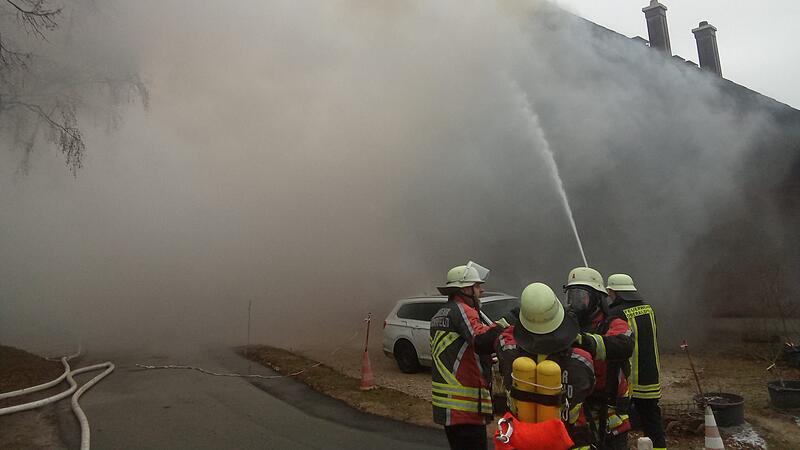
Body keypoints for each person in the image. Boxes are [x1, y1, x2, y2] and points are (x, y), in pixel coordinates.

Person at [495, 282, 596, 449]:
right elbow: (589, 387)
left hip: (522, 442)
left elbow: (500, 338)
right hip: (568, 442)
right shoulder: (581, 360)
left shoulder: (509, 353)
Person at [430, 261, 505, 450]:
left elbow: (458, 351)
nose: (481, 291)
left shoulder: (441, 314)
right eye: (477, 286)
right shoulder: (462, 310)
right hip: (465, 409)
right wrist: (507, 322)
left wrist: (486, 359)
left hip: (448, 407)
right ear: (465, 289)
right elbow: (481, 341)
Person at [564, 267, 634, 450]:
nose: (574, 303)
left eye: (581, 297)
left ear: (596, 298)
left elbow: (623, 344)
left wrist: (583, 340)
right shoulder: (566, 325)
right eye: (571, 297)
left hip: (610, 416)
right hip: (578, 415)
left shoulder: (613, 323)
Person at [606, 273, 666, 450]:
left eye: (610, 293)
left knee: (619, 422)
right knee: (653, 422)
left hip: (631, 377)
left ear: (614, 292)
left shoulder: (617, 313)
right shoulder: (648, 308)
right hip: (651, 376)